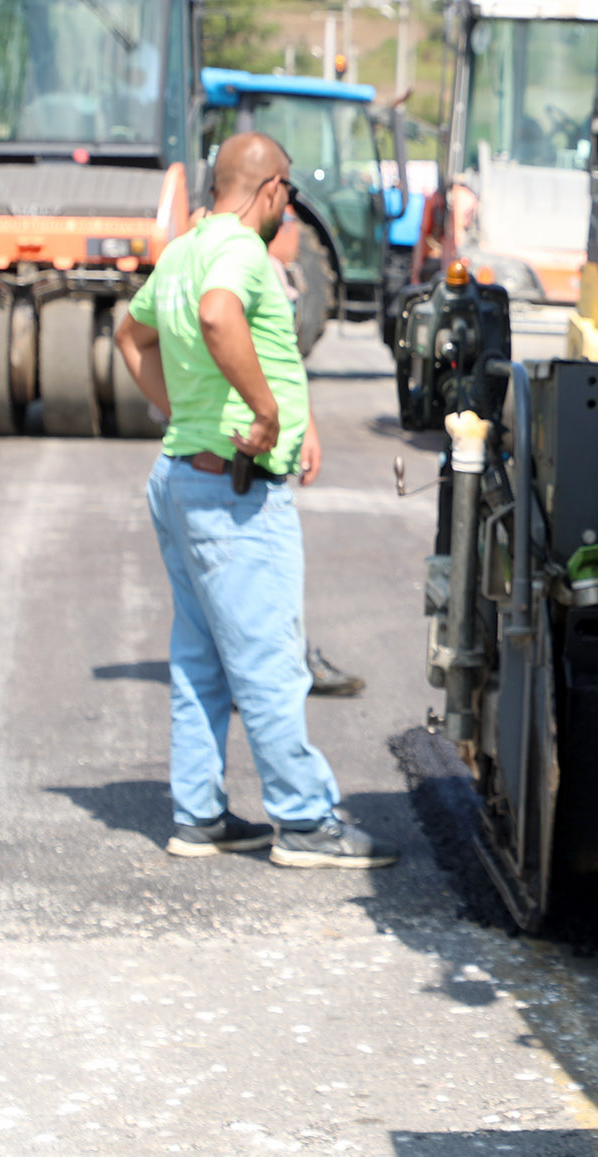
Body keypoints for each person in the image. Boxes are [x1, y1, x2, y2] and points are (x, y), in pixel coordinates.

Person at [115, 132, 396, 869]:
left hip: (182, 476)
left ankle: (200, 814)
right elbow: (217, 316)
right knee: (271, 662)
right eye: (289, 195)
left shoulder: (182, 248)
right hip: (233, 495)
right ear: (270, 187)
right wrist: (264, 413)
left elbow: (131, 334)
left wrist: (193, 414)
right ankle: (305, 822)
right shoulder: (241, 251)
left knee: (200, 658)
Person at [263, 215, 367, 701]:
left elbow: (287, 360)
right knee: (272, 563)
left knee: (278, 564)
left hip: (273, 449)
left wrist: (306, 424)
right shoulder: (253, 274)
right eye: (288, 221)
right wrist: (270, 417)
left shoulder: (276, 273)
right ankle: (273, 666)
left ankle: (284, 657)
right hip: (255, 455)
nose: (299, 233)